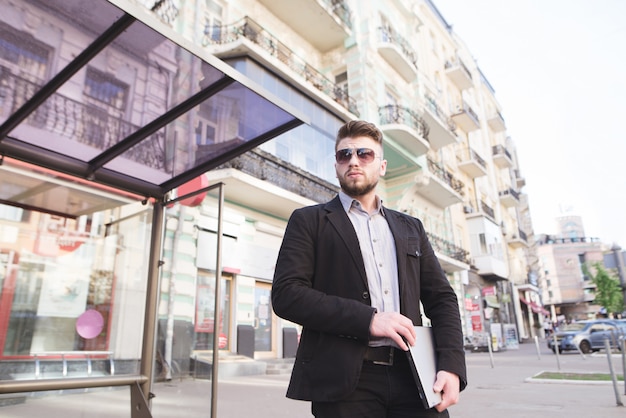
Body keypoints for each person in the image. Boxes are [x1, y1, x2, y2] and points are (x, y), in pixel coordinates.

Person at [271, 120, 467, 418]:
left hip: (415, 375)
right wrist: (369, 320)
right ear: (336, 166)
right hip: (346, 383)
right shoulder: (309, 221)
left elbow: (442, 298)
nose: (353, 161)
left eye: (365, 154)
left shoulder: (410, 227)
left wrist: (451, 365)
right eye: (344, 155)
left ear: (382, 166)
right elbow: (287, 294)